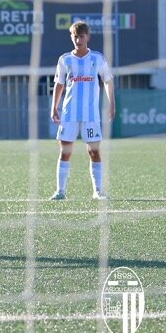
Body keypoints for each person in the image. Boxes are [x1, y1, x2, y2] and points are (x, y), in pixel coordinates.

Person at [49, 20, 115, 201]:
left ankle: (98, 191)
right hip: (69, 115)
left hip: (90, 115)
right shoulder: (65, 60)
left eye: (81, 36)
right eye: (75, 36)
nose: (78, 40)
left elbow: (108, 81)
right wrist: (54, 107)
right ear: (72, 37)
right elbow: (59, 84)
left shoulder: (97, 58)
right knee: (65, 152)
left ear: (88, 37)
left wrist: (111, 103)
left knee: (94, 151)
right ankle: (60, 191)